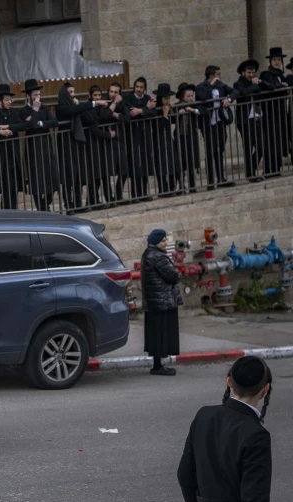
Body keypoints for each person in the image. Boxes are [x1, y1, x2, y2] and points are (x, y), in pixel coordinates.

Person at [178, 356, 287, 502]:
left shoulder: (204, 416)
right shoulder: (256, 435)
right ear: (265, 390)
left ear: (229, 382)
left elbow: (184, 475)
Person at [55, 83, 108, 211]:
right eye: (70, 92)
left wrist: (79, 106)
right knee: (68, 175)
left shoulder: (77, 106)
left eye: (74, 92)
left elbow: (89, 119)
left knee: (78, 173)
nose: (73, 94)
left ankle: (78, 204)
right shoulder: (60, 107)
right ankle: (69, 204)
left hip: (77, 143)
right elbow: (71, 111)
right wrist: (94, 103)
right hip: (66, 143)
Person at [141, 229, 182, 377]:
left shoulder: (148, 254)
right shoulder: (158, 257)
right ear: (156, 242)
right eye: (163, 240)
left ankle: (157, 365)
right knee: (161, 335)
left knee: (156, 335)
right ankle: (158, 367)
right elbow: (174, 275)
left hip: (154, 301)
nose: (165, 243)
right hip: (162, 301)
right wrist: (179, 274)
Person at [0, 84, 27, 210]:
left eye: (10, 99)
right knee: (5, 183)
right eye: (7, 100)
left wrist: (8, 127)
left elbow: (23, 125)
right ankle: (7, 210)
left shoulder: (14, 112)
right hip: (0, 154)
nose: (9, 102)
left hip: (13, 152)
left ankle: (13, 208)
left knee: (14, 184)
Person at [19, 78, 61, 212]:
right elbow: (29, 125)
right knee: (36, 178)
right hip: (33, 148)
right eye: (35, 95)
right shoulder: (24, 111)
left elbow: (54, 122)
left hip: (45, 145)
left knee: (53, 177)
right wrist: (35, 112)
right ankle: (41, 207)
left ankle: (45, 204)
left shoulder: (44, 108)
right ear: (28, 96)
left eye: (39, 95)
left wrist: (41, 124)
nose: (38, 98)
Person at [196, 66, 236, 187]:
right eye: (218, 74)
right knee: (210, 151)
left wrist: (228, 99)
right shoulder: (201, 87)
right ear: (211, 75)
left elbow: (235, 91)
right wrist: (211, 85)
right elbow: (203, 98)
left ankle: (221, 178)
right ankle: (210, 181)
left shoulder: (221, 85)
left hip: (219, 122)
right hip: (208, 124)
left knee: (220, 150)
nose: (220, 76)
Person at [234, 59, 272, 182]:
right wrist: (255, 85)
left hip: (257, 118)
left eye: (253, 73)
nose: (251, 75)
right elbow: (245, 92)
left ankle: (251, 168)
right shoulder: (238, 83)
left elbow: (271, 87)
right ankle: (250, 174)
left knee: (261, 147)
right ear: (243, 73)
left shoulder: (256, 81)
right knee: (248, 147)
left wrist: (260, 82)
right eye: (249, 73)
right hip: (245, 120)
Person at [122, 77, 157, 200]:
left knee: (145, 163)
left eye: (141, 87)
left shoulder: (148, 99)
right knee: (135, 164)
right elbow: (131, 113)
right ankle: (136, 194)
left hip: (145, 134)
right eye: (137, 87)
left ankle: (144, 192)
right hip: (132, 135)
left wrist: (141, 110)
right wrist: (146, 109)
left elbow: (153, 113)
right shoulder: (128, 98)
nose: (139, 89)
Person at [83, 84, 118, 208]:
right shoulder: (88, 108)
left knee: (104, 172)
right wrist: (108, 135)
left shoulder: (102, 106)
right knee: (95, 174)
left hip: (101, 144)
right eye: (95, 95)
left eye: (99, 95)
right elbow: (94, 127)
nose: (97, 97)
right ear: (90, 96)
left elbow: (104, 116)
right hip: (92, 144)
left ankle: (107, 198)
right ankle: (92, 201)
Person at [259, 47, 289, 174]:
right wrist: (280, 86)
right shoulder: (266, 74)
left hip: (280, 112)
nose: (277, 62)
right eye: (274, 60)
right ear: (270, 61)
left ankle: (277, 167)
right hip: (270, 113)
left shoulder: (281, 75)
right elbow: (268, 85)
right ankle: (269, 169)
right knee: (271, 141)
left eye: (279, 60)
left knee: (280, 139)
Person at [151, 83, 182, 195]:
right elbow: (158, 126)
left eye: (168, 98)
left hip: (168, 138)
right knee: (162, 165)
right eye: (165, 98)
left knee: (174, 163)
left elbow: (172, 121)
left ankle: (172, 187)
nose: (167, 100)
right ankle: (163, 189)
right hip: (158, 140)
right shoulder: (156, 109)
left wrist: (172, 111)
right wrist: (164, 115)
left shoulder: (166, 108)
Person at [175, 83, 202, 193]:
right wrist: (178, 113)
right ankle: (181, 184)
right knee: (181, 161)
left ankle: (192, 185)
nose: (191, 98)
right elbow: (171, 117)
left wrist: (193, 110)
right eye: (188, 96)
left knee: (192, 160)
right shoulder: (177, 106)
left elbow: (203, 111)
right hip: (180, 137)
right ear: (182, 97)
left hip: (191, 136)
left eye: (192, 96)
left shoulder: (194, 105)